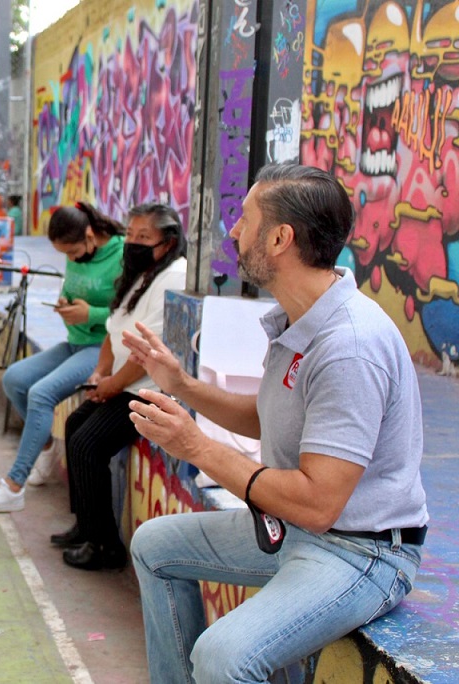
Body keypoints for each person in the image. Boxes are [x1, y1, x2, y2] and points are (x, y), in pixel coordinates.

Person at [122, 164, 428, 684]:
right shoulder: (299, 317)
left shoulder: (349, 346)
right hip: (300, 532)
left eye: (245, 220)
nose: (234, 233)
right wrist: (180, 383)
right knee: (154, 546)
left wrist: (197, 447)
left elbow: (317, 501)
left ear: (281, 238)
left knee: (224, 656)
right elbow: (268, 418)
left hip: (362, 551)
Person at [0, 202, 124, 513]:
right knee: (14, 379)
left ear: (90, 235)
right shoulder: (77, 253)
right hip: (75, 342)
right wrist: (66, 305)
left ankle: (13, 486)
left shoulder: (120, 255)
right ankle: (48, 448)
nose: (71, 259)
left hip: (103, 348)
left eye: (73, 251)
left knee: (41, 394)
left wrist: (90, 313)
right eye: (65, 254)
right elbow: (77, 291)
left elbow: (128, 312)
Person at [51, 203, 187, 570]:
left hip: (148, 390)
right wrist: (101, 371)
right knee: (74, 425)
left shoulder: (174, 276)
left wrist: (112, 385)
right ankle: (85, 524)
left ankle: (104, 545)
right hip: (123, 382)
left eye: (144, 236)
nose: (132, 242)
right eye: (130, 234)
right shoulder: (140, 273)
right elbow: (115, 327)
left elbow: (147, 352)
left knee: (87, 443)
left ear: (168, 241)